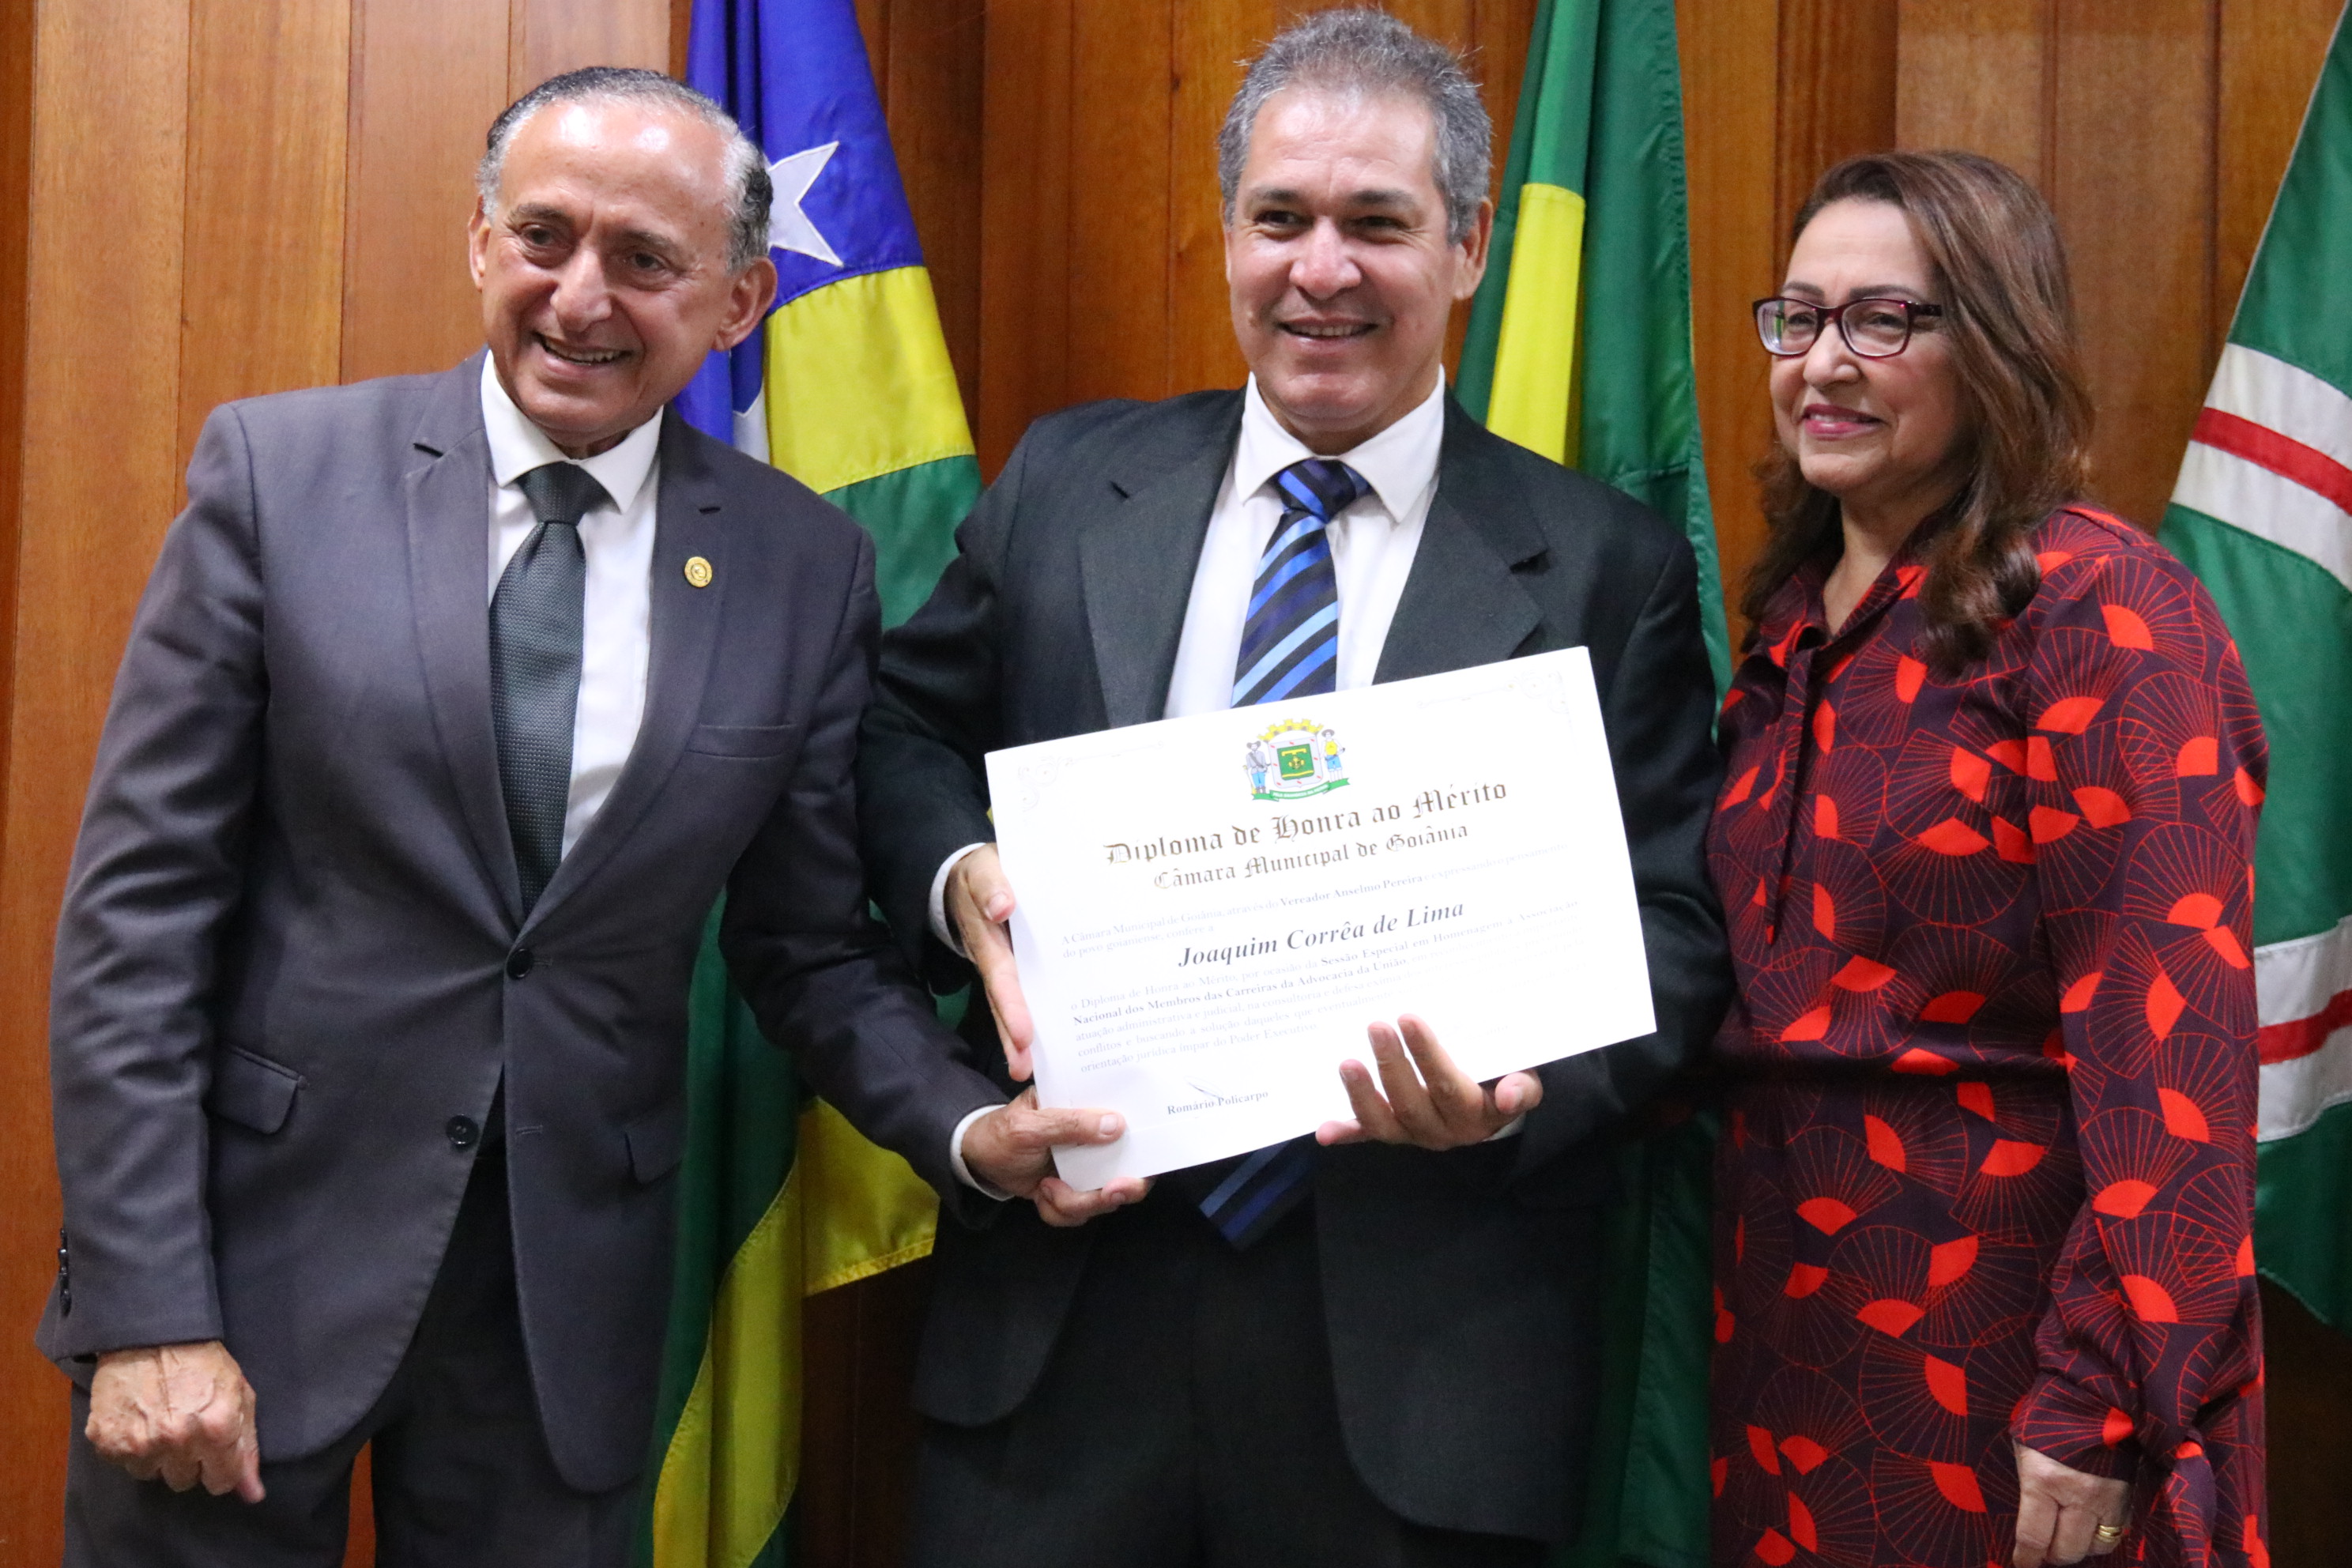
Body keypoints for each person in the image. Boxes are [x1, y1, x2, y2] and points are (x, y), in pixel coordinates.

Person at [40, 67, 1004, 1565]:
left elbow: (807, 946)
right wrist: (146, 1305)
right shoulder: (279, 478)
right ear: (481, 242)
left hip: (567, 1311)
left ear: (740, 302)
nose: (580, 295)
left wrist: (970, 1125)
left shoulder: (804, 570)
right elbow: (137, 925)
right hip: (249, 1269)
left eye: (646, 258)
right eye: (544, 237)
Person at [856, 11, 1728, 1566]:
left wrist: (1517, 1091)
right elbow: (896, 732)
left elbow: (1673, 925)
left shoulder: (1610, 569)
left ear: (1467, 246)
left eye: (1376, 222)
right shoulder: (1066, 486)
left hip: (1419, 1374)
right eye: (1280, 218)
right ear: (1229, 237)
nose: (1320, 270)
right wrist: (957, 879)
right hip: (1060, 1334)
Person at [1707, 150, 2268, 1568]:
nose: (1823, 363)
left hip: (2015, 1360)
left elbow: (2169, 1049)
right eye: (1799, 317)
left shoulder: (2102, 611)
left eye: (1884, 320)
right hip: (1786, 1340)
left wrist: (2093, 1393)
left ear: (1998, 346)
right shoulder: (1788, 626)